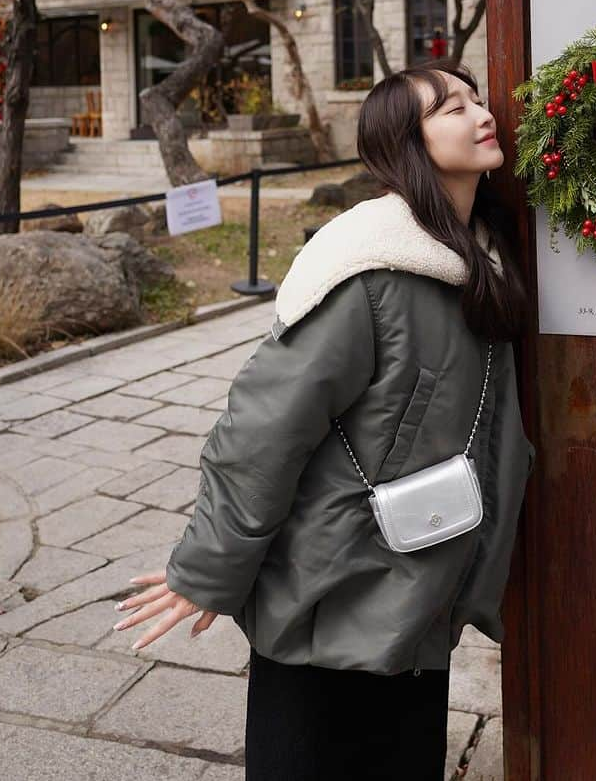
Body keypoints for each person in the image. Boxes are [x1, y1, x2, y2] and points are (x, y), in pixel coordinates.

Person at [113, 58, 536, 780]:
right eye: (450, 108)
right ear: (407, 143)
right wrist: (205, 569)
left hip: (419, 591)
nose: (480, 112)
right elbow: (261, 430)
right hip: (331, 589)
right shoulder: (366, 270)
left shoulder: (483, 260)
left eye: (474, 97)